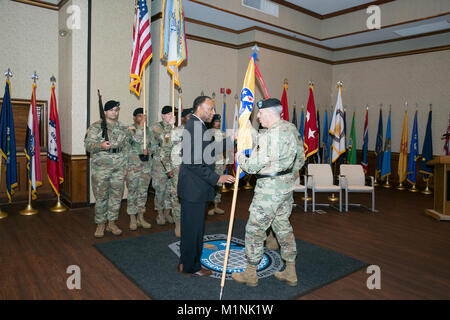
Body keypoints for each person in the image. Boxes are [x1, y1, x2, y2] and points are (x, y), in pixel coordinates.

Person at [231, 98, 305, 287]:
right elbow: (300, 159)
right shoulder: (290, 128)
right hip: (285, 189)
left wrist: (239, 157)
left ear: (270, 113)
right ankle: (291, 270)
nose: (258, 116)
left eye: (260, 113)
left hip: (268, 192)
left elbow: (253, 166)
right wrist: (287, 175)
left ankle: (250, 273)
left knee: (255, 230)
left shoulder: (271, 136)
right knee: (282, 227)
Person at [177, 96, 235, 276]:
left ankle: (185, 262)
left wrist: (231, 140)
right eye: (210, 109)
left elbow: (208, 150)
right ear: (199, 108)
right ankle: (190, 267)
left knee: (192, 229)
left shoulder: (198, 125)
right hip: (194, 189)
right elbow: (193, 163)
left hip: (195, 188)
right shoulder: (194, 127)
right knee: (193, 231)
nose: (213, 112)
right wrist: (217, 178)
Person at [84, 100, 130, 238]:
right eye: (111, 110)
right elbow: (88, 145)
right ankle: (100, 224)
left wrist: (126, 166)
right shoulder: (96, 127)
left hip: (118, 167)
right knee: (101, 196)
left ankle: (111, 223)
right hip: (101, 168)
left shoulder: (123, 127)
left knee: (116, 197)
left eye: (116, 110)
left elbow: (127, 148)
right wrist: (100, 145)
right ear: (105, 112)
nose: (114, 112)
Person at [162, 108, 193, 237]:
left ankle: (190, 223)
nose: (191, 118)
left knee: (192, 197)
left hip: (194, 171)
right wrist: (168, 169)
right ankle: (178, 224)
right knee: (177, 197)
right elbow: (164, 152)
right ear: (183, 118)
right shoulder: (174, 132)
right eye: (189, 116)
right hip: (178, 169)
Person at [126, 107, 152, 231]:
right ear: (135, 117)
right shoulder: (130, 129)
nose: (142, 118)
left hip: (146, 167)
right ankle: (132, 218)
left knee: (143, 193)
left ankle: (141, 217)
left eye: (144, 116)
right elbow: (136, 139)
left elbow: (154, 146)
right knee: (132, 192)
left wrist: (149, 150)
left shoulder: (149, 130)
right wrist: (141, 126)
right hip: (133, 167)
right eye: (139, 116)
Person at [150, 106, 175, 225]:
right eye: (168, 114)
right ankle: (159, 213)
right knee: (160, 189)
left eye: (172, 114)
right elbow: (165, 140)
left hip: (172, 161)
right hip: (159, 163)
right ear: (163, 116)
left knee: (170, 189)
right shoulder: (156, 127)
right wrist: (170, 126)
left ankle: (167, 212)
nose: (171, 116)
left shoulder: (174, 127)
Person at [208, 114, 226, 216]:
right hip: (210, 162)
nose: (218, 123)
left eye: (219, 121)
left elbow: (226, 149)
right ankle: (210, 206)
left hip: (219, 162)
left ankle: (216, 206)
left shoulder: (222, 134)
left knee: (219, 184)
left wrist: (225, 163)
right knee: (211, 184)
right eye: (216, 121)